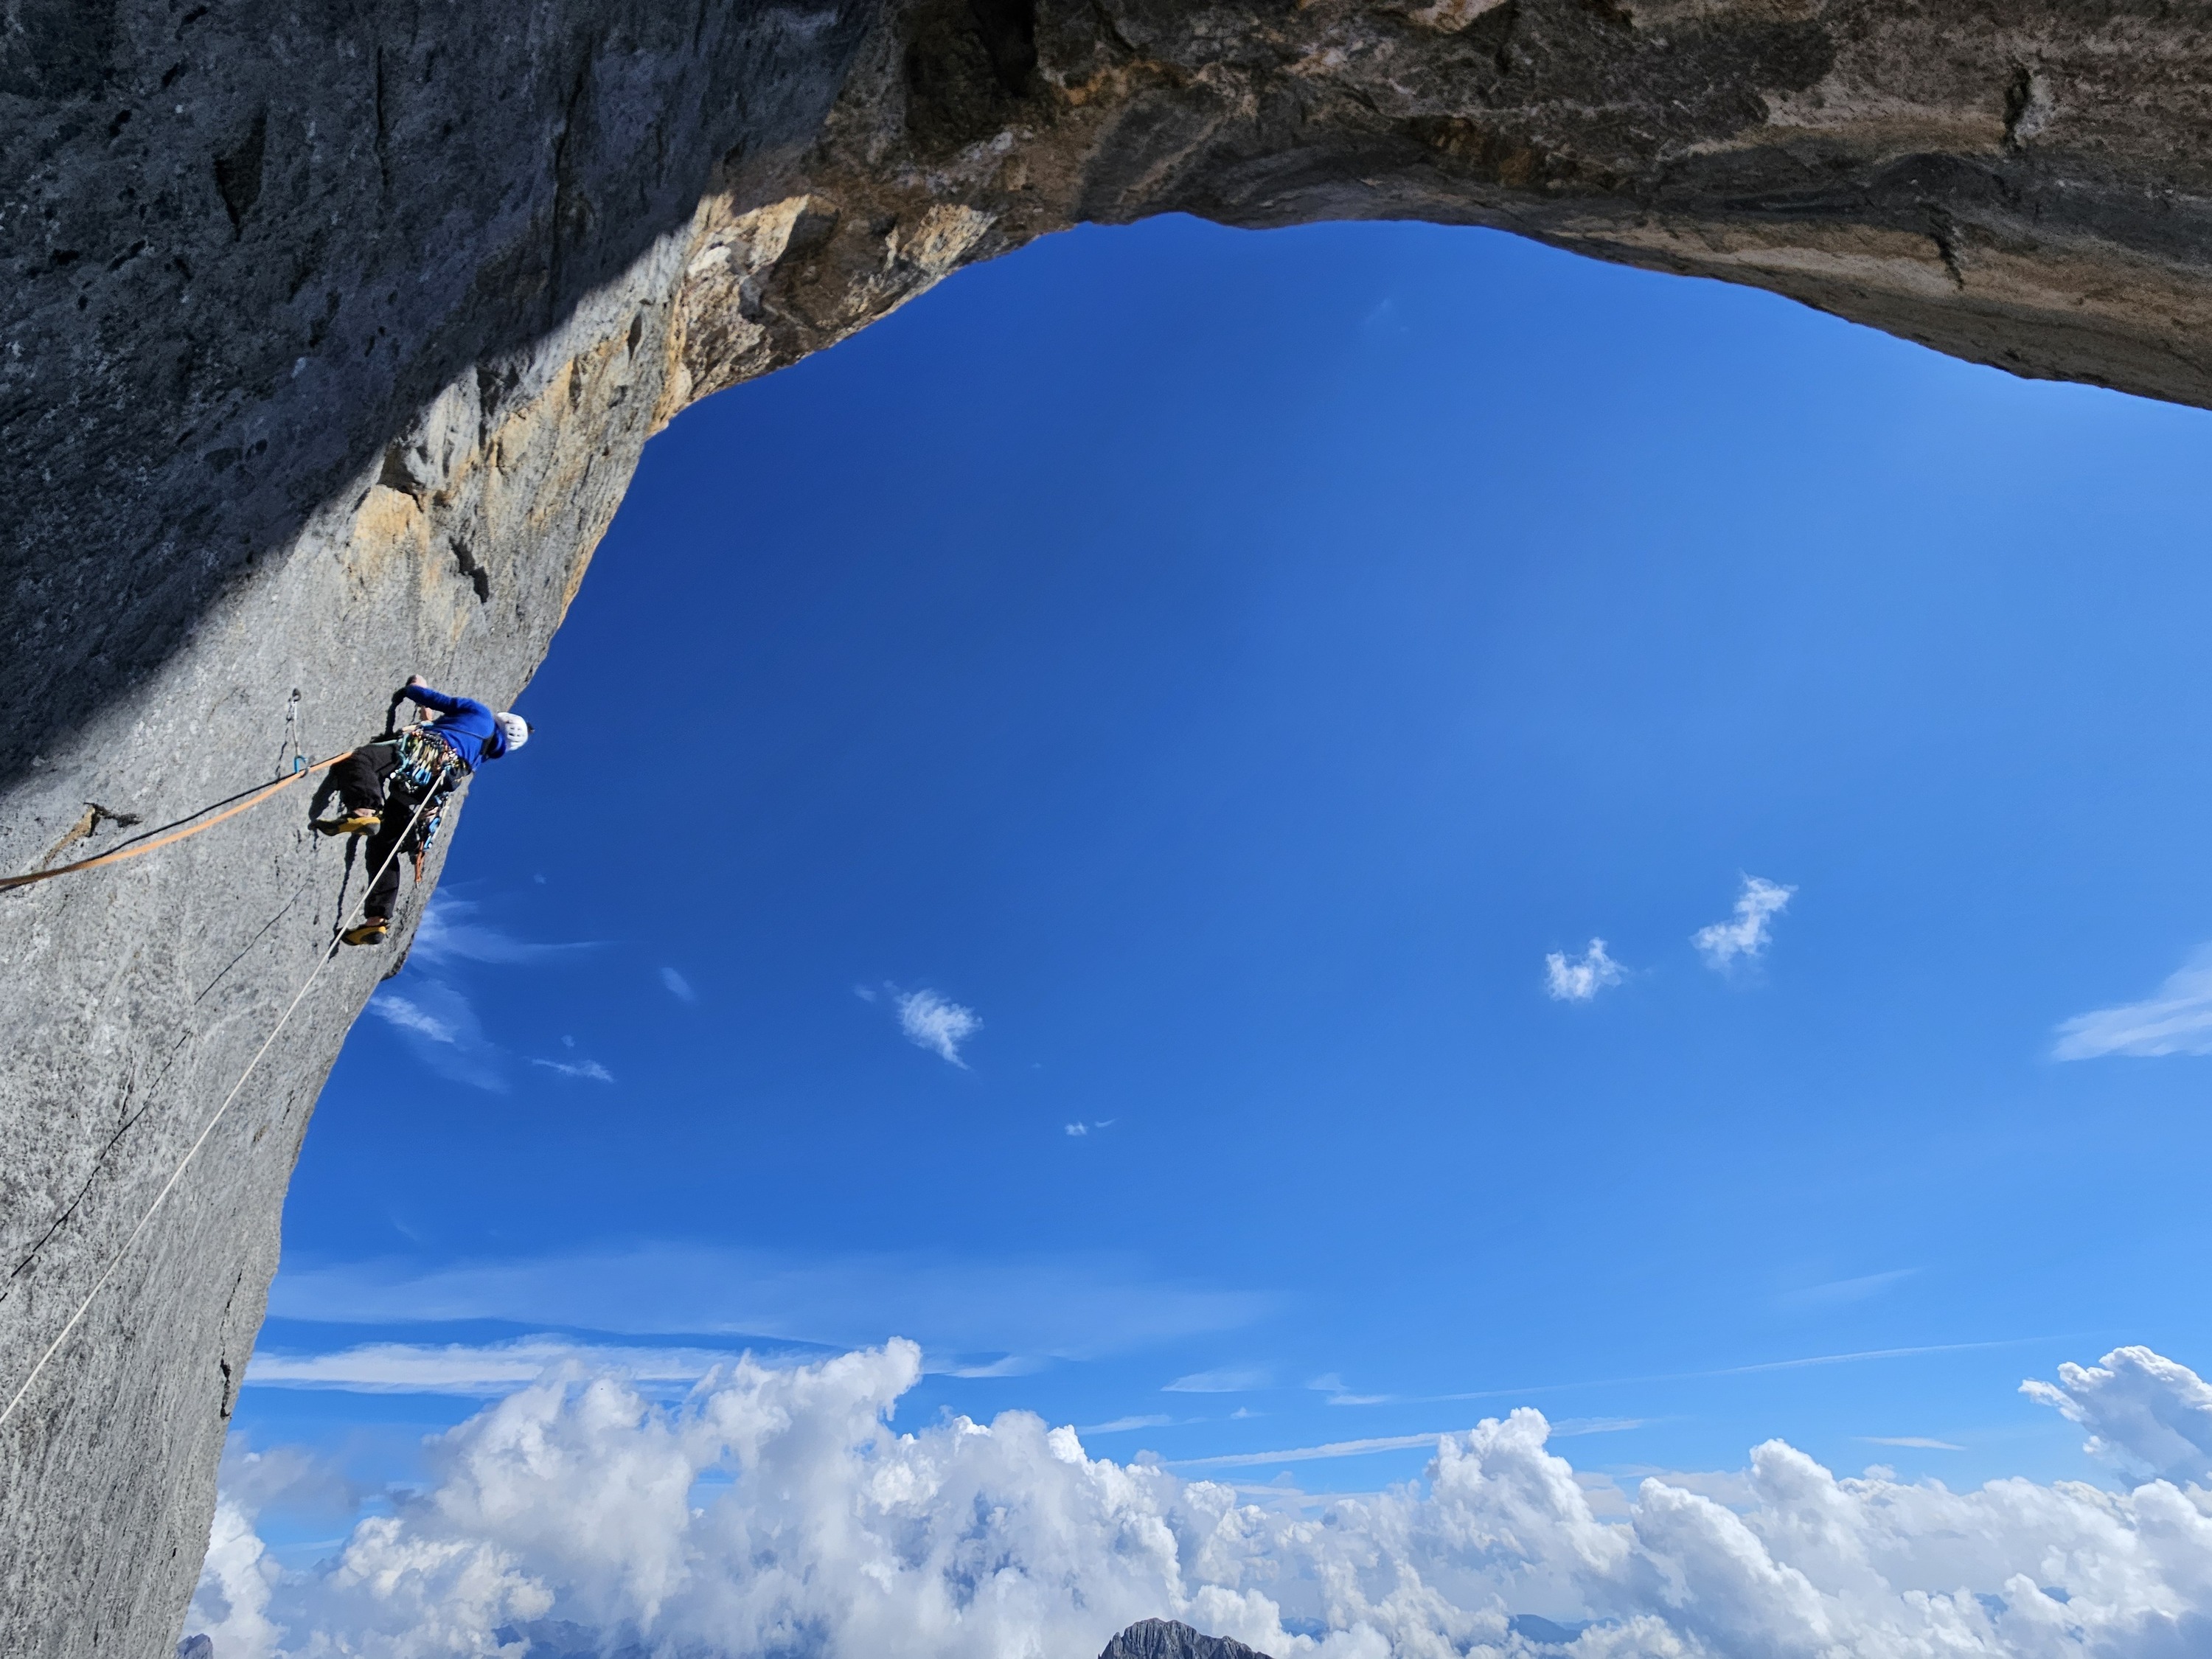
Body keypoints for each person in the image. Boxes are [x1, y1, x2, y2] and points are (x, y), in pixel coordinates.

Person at [313, 676, 530, 945]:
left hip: (424, 755)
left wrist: (416, 686)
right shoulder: (480, 754)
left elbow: (425, 697)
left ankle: (364, 811)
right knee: (384, 845)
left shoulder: (479, 713)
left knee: (362, 760)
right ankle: (376, 921)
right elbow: (442, 726)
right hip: (429, 789)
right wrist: (427, 717)